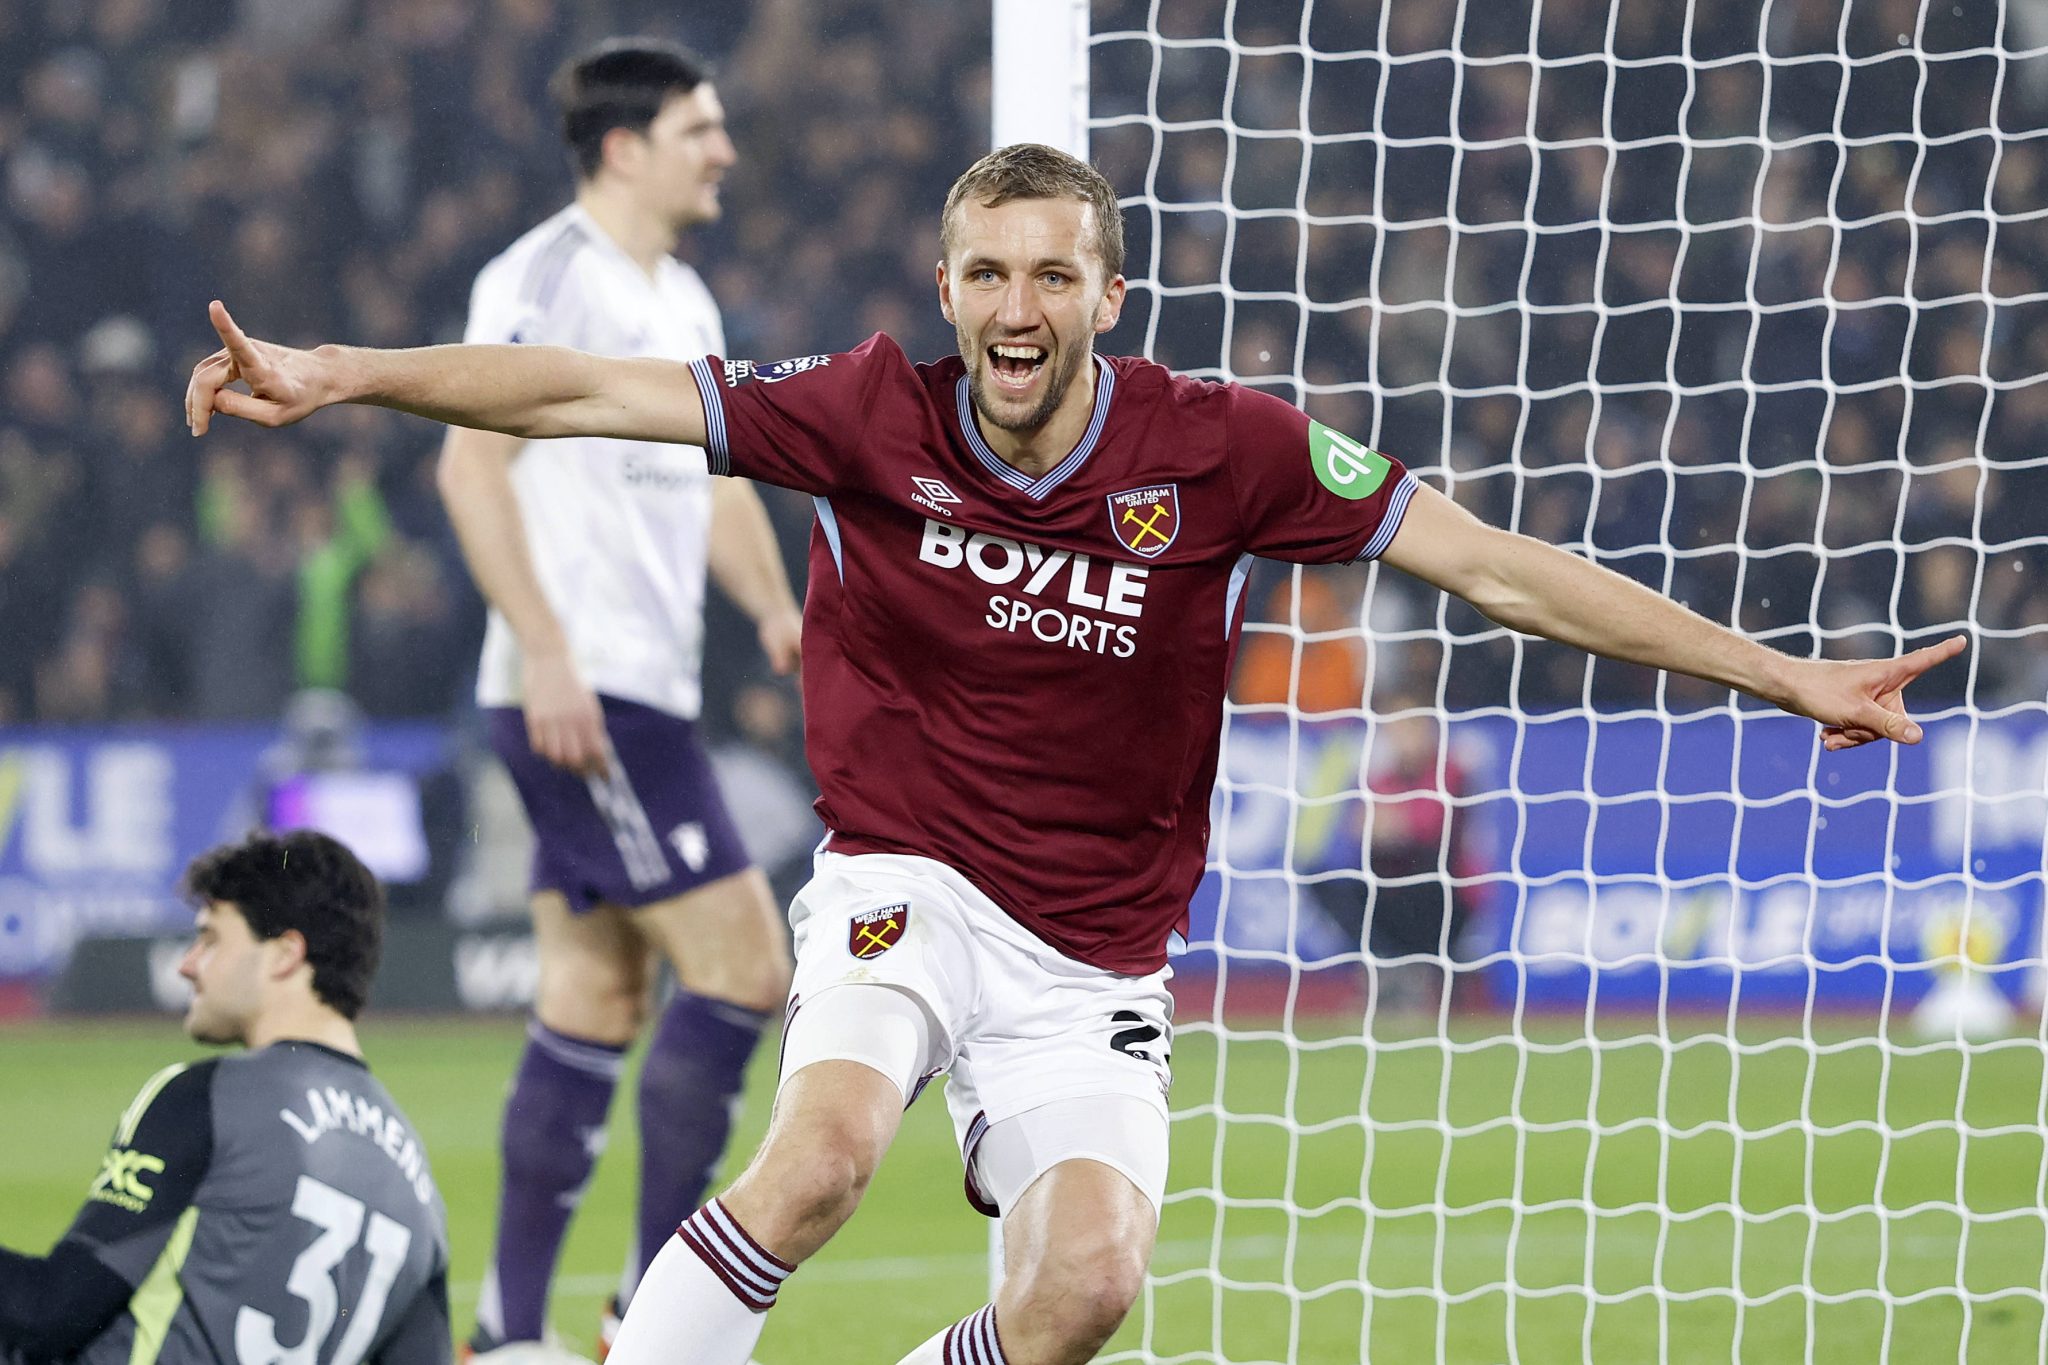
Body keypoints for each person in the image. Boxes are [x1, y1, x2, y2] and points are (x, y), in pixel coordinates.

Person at [186, 142, 1965, 1365]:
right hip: (901, 876)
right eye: (984, 272)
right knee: (815, 1159)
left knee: (1085, 1290)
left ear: (1107, 291)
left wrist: (1776, 673)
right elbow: (577, 390)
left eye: (1051, 272)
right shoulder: (866, 410)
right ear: (944, 286)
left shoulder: (1227, 450)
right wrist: (339, 371)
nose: (1013, 304)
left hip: (1094, 950)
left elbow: (1495, 568)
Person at [432, 39, 802, 1358]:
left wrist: (773, 610)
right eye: (702, 128)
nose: (725, 152)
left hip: (635, 690)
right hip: (585, 694)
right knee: (749, 966)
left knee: (592, 997)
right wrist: (542, 647)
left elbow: (720, 484)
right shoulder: (540, 278)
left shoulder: (686, 304)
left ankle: (504, 1327)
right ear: (626, 146)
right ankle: (652, 1316)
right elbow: (472, 476)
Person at [0, 830, 451, 1365]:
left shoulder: (208, 1098)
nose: (188, 964)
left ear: (284, 954)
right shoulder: (418, 1190)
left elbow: (46, 1314)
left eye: (210, 939)